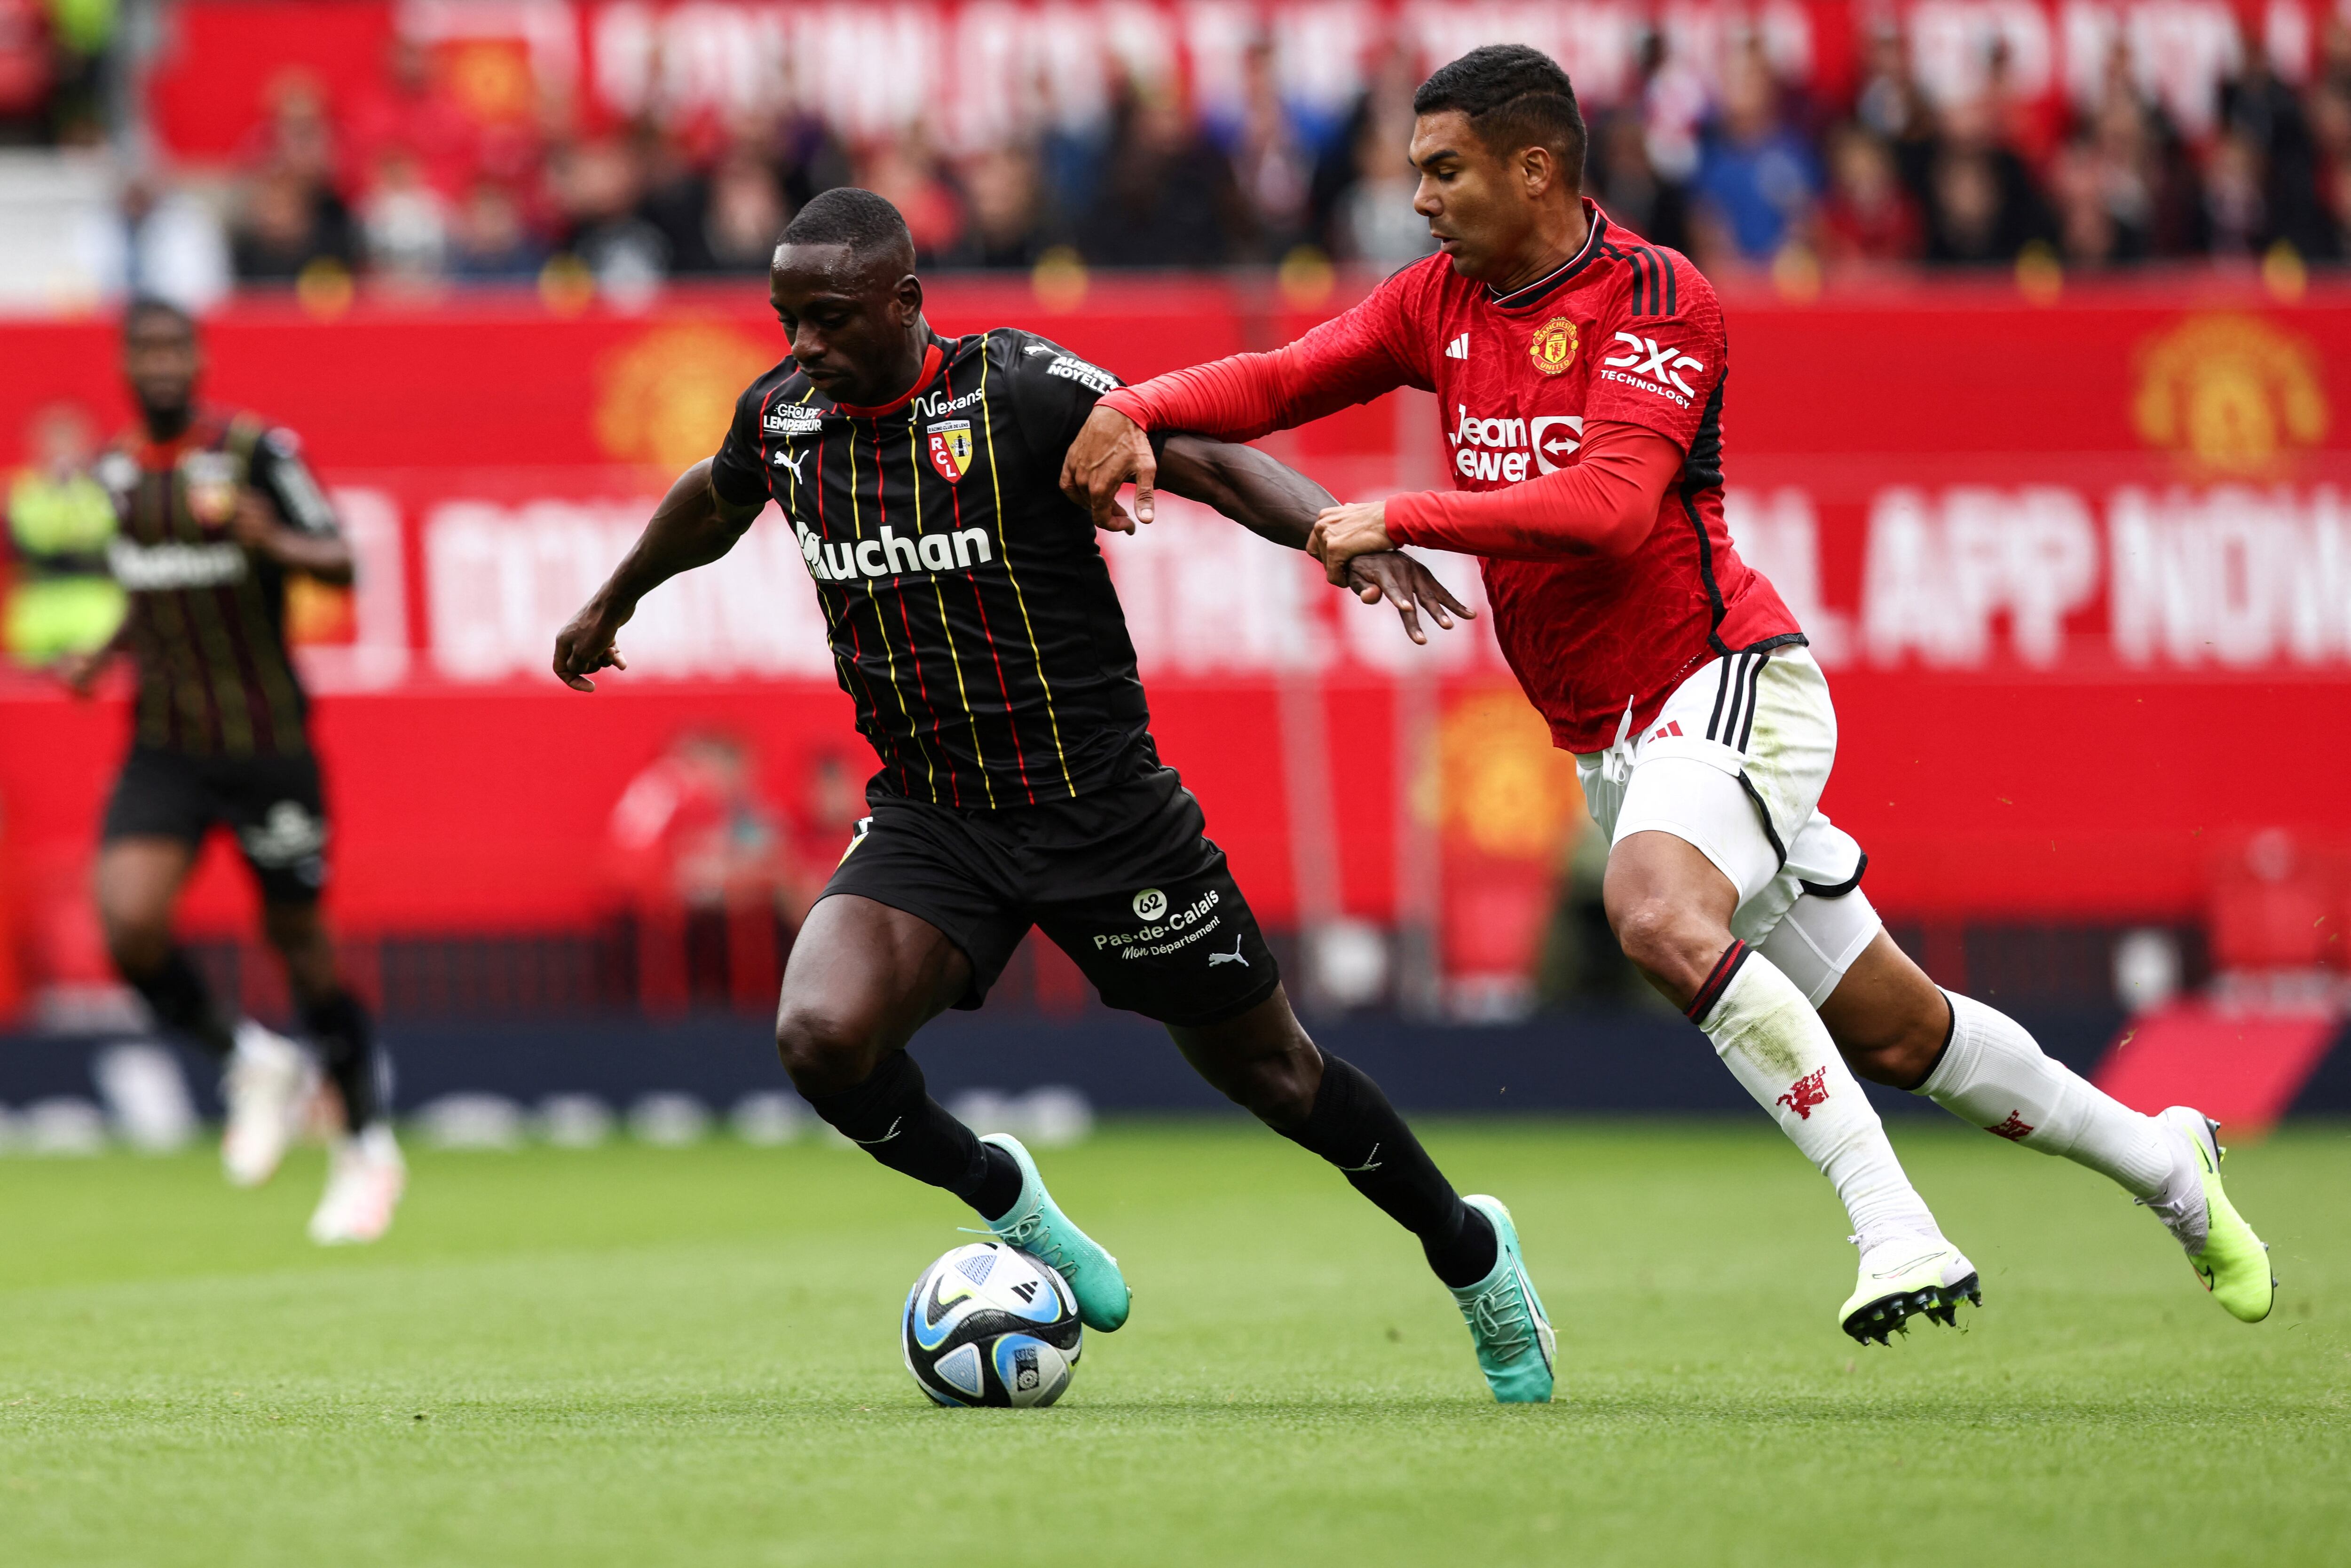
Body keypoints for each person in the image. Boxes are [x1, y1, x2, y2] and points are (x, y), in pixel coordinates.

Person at [1062, 45, 2274, 1343]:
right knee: (1904, 1032)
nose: (1417, 198)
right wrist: (1131, 404)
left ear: (1535, 170)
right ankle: (2169, 1166)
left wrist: (1395, 513)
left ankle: (1894, 1225)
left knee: (1652, 911)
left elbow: (1607, 509)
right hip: (1623, 745)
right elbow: (1286, 377)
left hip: (1734, 680)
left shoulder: (1655, 297)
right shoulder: (1437, 301)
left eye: (1442, 169)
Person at [552, 188, 1558, 1402]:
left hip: (1105, 815)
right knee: (822, 1040)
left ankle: (1471, 1254)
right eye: (785, 319)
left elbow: (1196, 454)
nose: (802, 344)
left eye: (826, 318)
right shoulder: (783, 419)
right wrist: (616, 598)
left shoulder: (1016, 390)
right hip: (935, 819)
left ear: (904, 302)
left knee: (1277, 1079)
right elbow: (715, 500)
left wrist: (1337, 532)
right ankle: (1006, 1199)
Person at [59, 298, 402, 1245]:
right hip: (165, 741)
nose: (163, 365)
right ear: (128, 366)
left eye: (176, 348)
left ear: (199, 359)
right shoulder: (116, 472)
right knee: (128, 922)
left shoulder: (257, 453)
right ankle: (251, 1059)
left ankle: (368, 1147)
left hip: (265, 745)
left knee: (299, 942)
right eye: (146, 351)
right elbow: (156, 587)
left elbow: (342, 563)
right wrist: (104, 651)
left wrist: (273, 541)